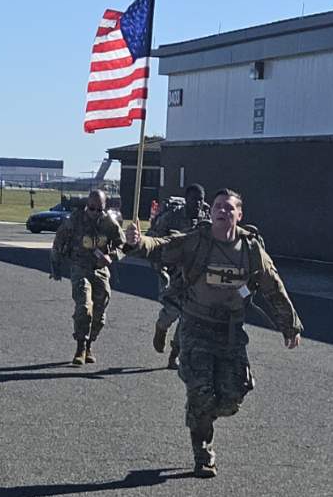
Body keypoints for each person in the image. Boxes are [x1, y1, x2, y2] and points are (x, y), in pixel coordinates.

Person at [123, 189, 301, 478]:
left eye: (229, 208)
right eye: (218, 206)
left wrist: (289, 325)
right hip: (196, 327)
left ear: (239, 215)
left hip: (231, 331)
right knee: (201, 392)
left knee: (232, 397)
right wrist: (137, 241)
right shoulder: (196, 241)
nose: (222, 211)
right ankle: (203, 452)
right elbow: (160, 246)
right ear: (212, 211)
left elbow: (273, 286)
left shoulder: (251, 249)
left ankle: (201, 413)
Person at [51, 189, 124, 366]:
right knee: (84, 307)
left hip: (100, 270)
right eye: (92, 208)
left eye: (99, 209)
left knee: (100, 313)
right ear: (87, 205)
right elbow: (59, 240)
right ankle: (80, 347)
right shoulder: (75, 220)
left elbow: (123, 245)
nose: (95, 212)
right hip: (80, 268)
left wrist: (111, 256)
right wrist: (55, 267)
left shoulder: (109, 223)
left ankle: (90, 344)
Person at [146, 183, 209, 369]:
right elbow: (153, 239)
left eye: (201, 200)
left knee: (188, 315)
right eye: (194, 199)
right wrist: (158, 266)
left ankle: (175, 355)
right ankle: (161, 326)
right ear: (186, 199)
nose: (197, 203)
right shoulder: (171, 217)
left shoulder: (206, 219)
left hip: (194, 274)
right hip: (172, 271)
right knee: (172, 309)